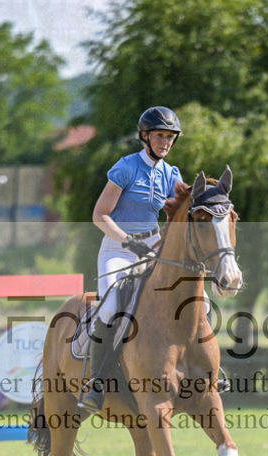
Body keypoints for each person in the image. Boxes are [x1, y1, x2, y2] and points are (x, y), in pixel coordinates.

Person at [78, 106, 185, 413]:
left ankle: (204, 367)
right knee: (111, 307)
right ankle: (96, 384)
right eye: (160, 136)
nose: (166, 142)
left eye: (170, 137)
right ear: (145, 136)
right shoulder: (125, 168)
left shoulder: (171, 175)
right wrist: (127, 240)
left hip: (153, 246)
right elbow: (100, 215)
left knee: (190, 295)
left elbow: (181, 213)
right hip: (118, 249)